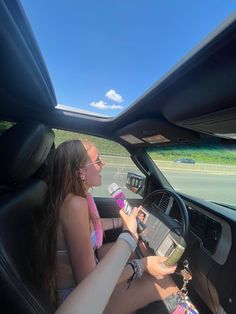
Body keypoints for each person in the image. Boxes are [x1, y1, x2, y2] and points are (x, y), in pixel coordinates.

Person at [35, 139, 198, 314]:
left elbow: (90, 228)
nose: (102, 164)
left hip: (84, 284)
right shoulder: (75, 204)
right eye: (97, 161)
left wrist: (123, 221)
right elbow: (88, 281)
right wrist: (141, 265)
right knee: (162, 283)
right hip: (81, 300)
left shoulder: (72, 197)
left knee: (139, 250)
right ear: (80, 172)